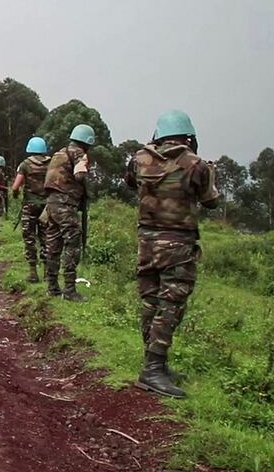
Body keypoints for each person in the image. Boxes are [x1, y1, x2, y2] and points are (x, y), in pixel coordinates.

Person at [126, 111, 218, 399]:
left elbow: (131, 182)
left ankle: (155, 363)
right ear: (189, 136)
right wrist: (208, 171)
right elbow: (211, 202)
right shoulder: (195, 165)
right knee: (171, 303)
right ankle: (153, 370)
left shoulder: (139, 159)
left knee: (150, 300)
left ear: (157, 134)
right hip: (177, 243)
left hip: (147, 242)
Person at [43, 124, 96, 301]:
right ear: (87, 141)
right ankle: (70, 290)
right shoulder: (78, 153)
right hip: (65, 203)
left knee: (53, 245)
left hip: (51, 204)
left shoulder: (59, 153)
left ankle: (51, 287)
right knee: (72, 244)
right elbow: (80, 175)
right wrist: (87, 187)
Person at [12, 137, 51, 282]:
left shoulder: (25, 165)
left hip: (30, 206)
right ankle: (48, 273)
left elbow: (16, 186)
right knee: (46, 238)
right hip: (47, 207)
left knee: (29, 239)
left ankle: (33, 273)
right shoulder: (51, 163)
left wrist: (15, 194)